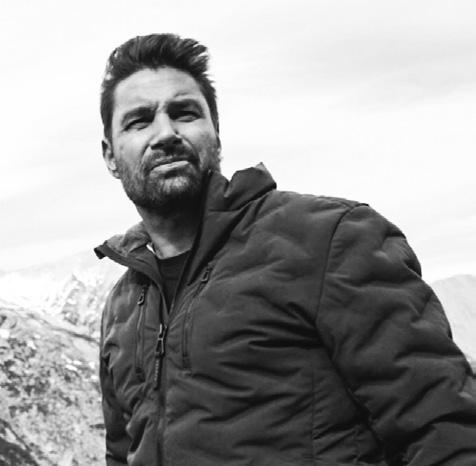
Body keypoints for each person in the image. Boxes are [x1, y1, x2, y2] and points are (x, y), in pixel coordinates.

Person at [95, 33, 476, 466]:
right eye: (139, 121)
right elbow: (122, 453)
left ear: (215, 135)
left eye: (185, 113)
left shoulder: (328, 239)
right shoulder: (123, 305)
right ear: (110, 156)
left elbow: (443, 429)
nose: (166, 133)